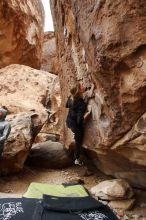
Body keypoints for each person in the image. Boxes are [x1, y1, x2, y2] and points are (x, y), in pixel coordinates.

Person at [66, 84, 91, 165]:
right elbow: (79, 121)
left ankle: (77, 157)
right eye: (82, 86)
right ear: (79, 91)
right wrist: (87, 114)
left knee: (77, 139)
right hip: (76, 126)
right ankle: (77, 159)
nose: (84, 86)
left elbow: (67, 105)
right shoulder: (81, 104)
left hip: (69, 122)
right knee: (78, 142)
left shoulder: (71, 97)